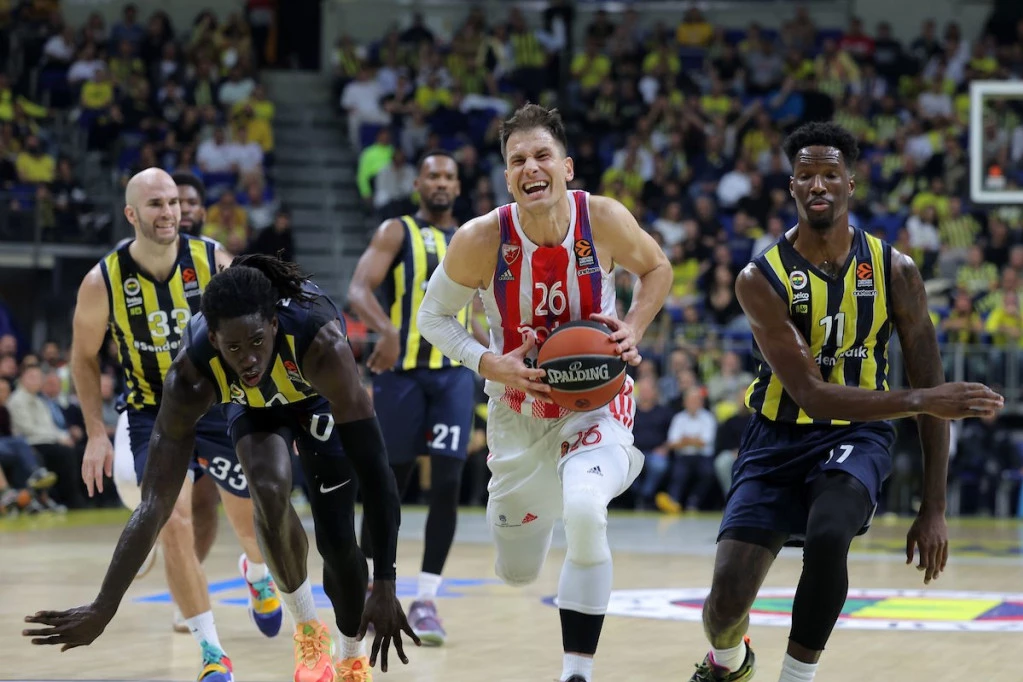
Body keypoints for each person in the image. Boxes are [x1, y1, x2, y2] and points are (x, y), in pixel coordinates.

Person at [682, 121, 1004, 682]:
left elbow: (931, 389)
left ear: (850, 184)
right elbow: (811, 393)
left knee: (830, 533)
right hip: (776, 436)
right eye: (806, 175)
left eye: (830, 174)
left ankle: (796, 677)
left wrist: (933, 508)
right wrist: (923, 399)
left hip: (857, 435)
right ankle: (728, 662)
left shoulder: (895, 270)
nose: (818, 184)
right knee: (725, 606)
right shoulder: (760, 278)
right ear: (791, 186)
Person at [26, 254, 419, 682]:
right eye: (234, 348)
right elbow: (155, 504)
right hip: (253, 407)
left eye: (256, 342)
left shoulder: (323, 346)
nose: (248, 359)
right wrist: (103, 607)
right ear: (213, 340)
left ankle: (351, 657)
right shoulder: (191, 375)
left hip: (315, 397)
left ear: (273, 325)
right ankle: (307, 628)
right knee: (267, 491)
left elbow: (377, 473)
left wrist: (385, 582)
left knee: (338, 539)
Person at [416, 103, 672, 682]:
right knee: (517, 569)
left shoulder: (603, 219)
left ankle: (575, 671)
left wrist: (633, 327)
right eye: (517, 161)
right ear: (508, 178)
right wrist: (488, 362)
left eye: (542, 156)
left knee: (586, 510)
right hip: (518, 415)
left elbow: (657, 268)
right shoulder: (480, 239)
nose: (531, 168)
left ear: (567, 167)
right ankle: (549, 497)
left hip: (596, 404)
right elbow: (433, 317)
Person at [68, 168, 283, 682]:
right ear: (131, 214)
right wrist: (96, 432)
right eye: (155, 204)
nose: (168, 212)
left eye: (172, 203)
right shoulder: (103, 281)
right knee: (171, 520)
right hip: (153, 413)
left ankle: (256, 572)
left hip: (217, 404)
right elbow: (82, 357)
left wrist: (274, 406)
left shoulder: (213, 261)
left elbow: (259, 334)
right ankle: (212, 654)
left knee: (251, 524)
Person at [348, 149, 476, 645]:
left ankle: (426, 599)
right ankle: (371, 588)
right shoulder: (396, 231)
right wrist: (386, 330)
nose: (440, 182)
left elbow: (480, 310)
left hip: (453, 376)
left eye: (448, 176)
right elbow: (359, 290)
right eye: (432, 175)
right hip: (401, 376)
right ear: (417, 184)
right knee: (388, 485)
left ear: (458, 186)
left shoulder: (472, 237)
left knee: (447, 482)